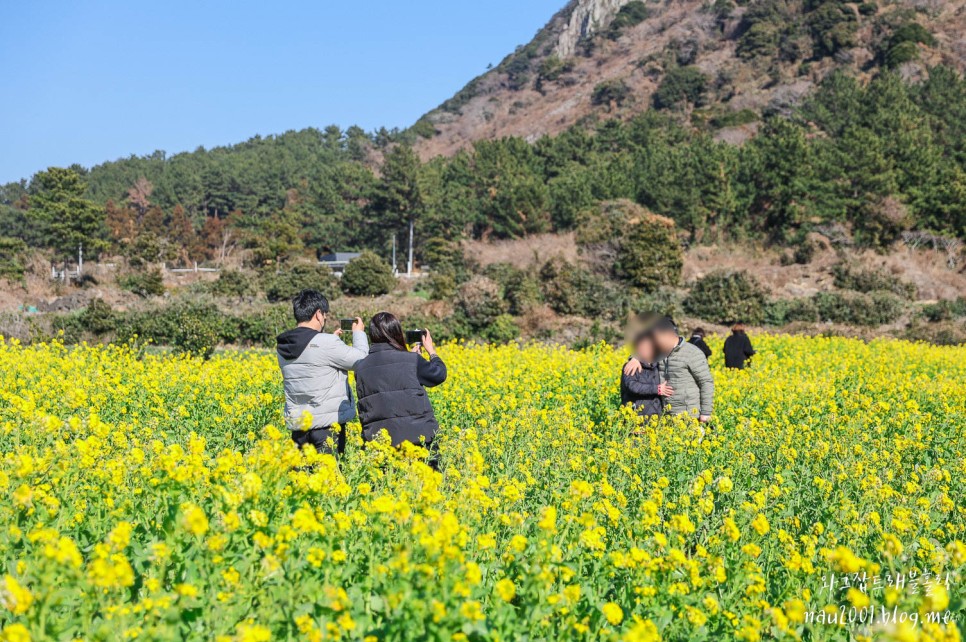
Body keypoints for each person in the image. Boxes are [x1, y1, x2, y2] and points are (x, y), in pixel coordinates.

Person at [276, 290, 368, 455]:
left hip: (299, 429)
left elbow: (311, 360)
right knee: (328, 479)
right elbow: (362, 361)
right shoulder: (326, 343)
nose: (325, 318)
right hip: (327, 429)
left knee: (302, 479)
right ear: (318, 314)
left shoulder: (283, 345)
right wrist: (359, 334)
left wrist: (328, 343)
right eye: (325, 314)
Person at [354, 312, 447, 462]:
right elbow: (438, 374)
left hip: (380, 445)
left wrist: (410, 358)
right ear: (396, 332)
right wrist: (431, 352)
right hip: (419, 439)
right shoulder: (412, 361)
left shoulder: (361, 368)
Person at [624, 317, 714, 422]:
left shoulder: (693, 353)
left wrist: (706, 413)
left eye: (657, 338)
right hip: (666, 416)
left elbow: (706, 382)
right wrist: (635, 357)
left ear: (669, 334)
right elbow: (644, 350)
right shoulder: (658, 352)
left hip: (689, 415)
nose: (655, 342)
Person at [620, 331, 672, 420]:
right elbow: (632, 386)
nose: (646, 349)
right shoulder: (631, 366)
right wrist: (657, 389)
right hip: (636, 417)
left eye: (649, 347)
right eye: (642, 347)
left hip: (656, 418)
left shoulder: (659, 365)